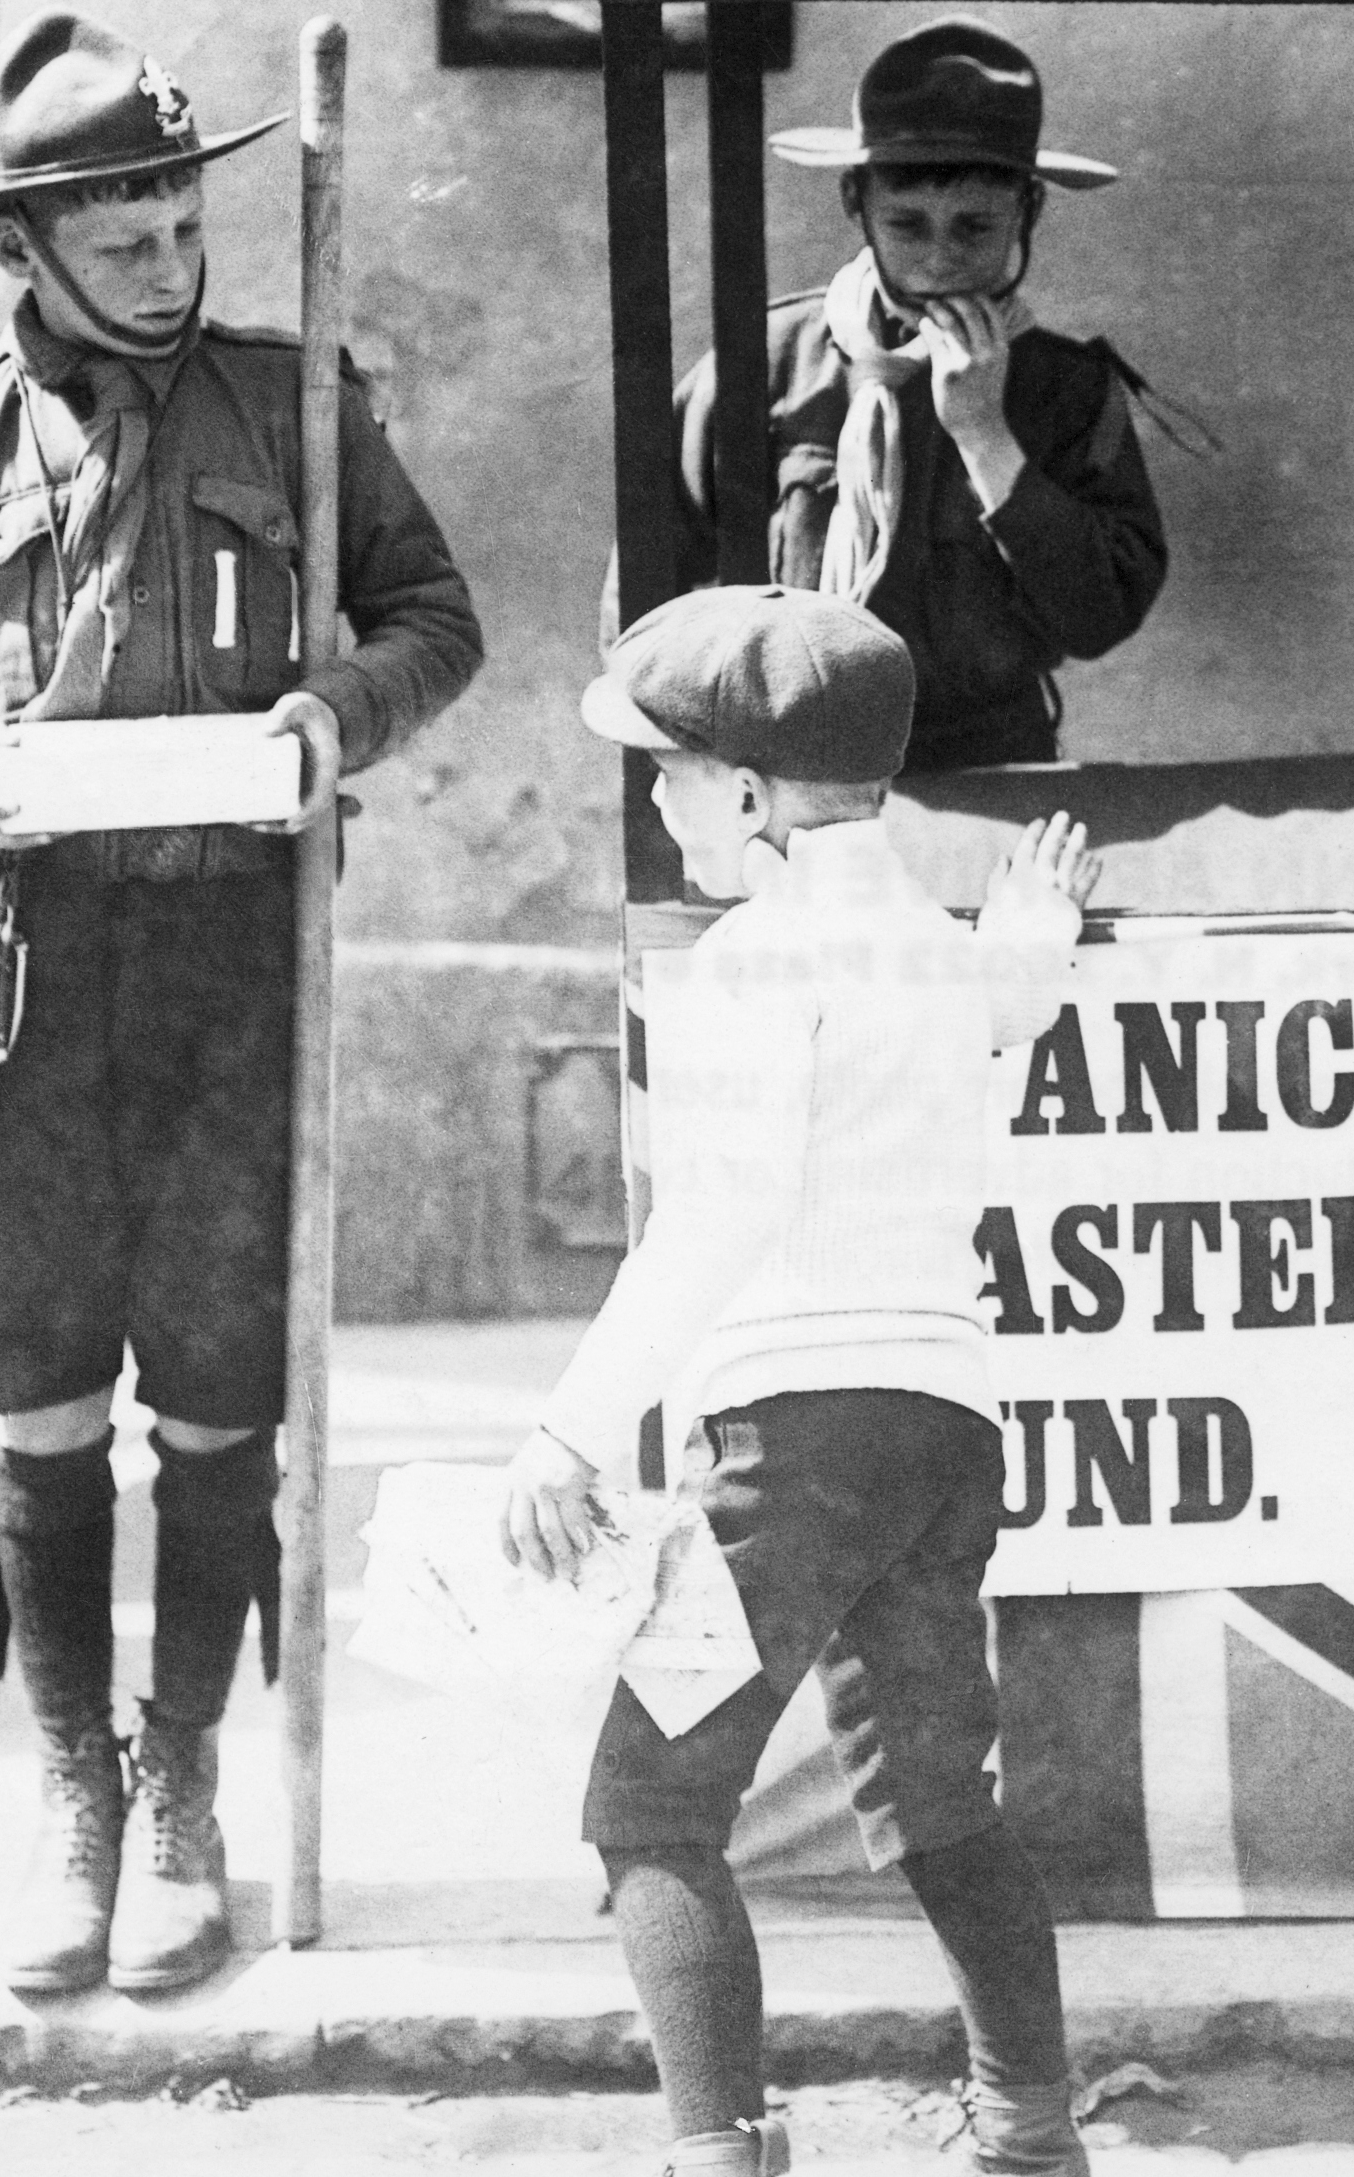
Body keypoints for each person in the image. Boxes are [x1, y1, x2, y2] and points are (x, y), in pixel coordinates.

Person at [0, 13, 483, 1997]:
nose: (171, 265)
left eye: (186, 223)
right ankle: (71, 1790)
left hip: (228, 953)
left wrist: (333, 715)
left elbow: (435, 619)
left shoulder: (296, 407)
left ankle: (182, 1775)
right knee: (36, 1382)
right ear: (16, 246)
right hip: (11, 959)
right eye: (122, 238)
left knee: (215, 1383)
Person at [503, 585, 1094, 2177]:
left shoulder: (753, 960)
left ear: (754, 797)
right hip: (944, 1433)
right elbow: (1016, 1000)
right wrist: (1037, 926)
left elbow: (721, 1212)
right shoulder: (936, 948)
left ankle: (715, 2151)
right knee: (939, 1801)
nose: (661, 801)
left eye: (675, 773)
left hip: (791, 1443)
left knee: (650, 1805)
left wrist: (567, 1431)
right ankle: (1030, 2134)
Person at [656, 18, 1164, 774]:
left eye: (974, 228)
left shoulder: (1065, 389)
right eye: (906, 224)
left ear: (1028, 210)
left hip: (988, 757)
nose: (938, 261)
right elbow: (649, 580)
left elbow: (1099, 619)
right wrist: (689, 762)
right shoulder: (765, 362)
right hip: (786, 760)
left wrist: (986, 436)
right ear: (854, 200)